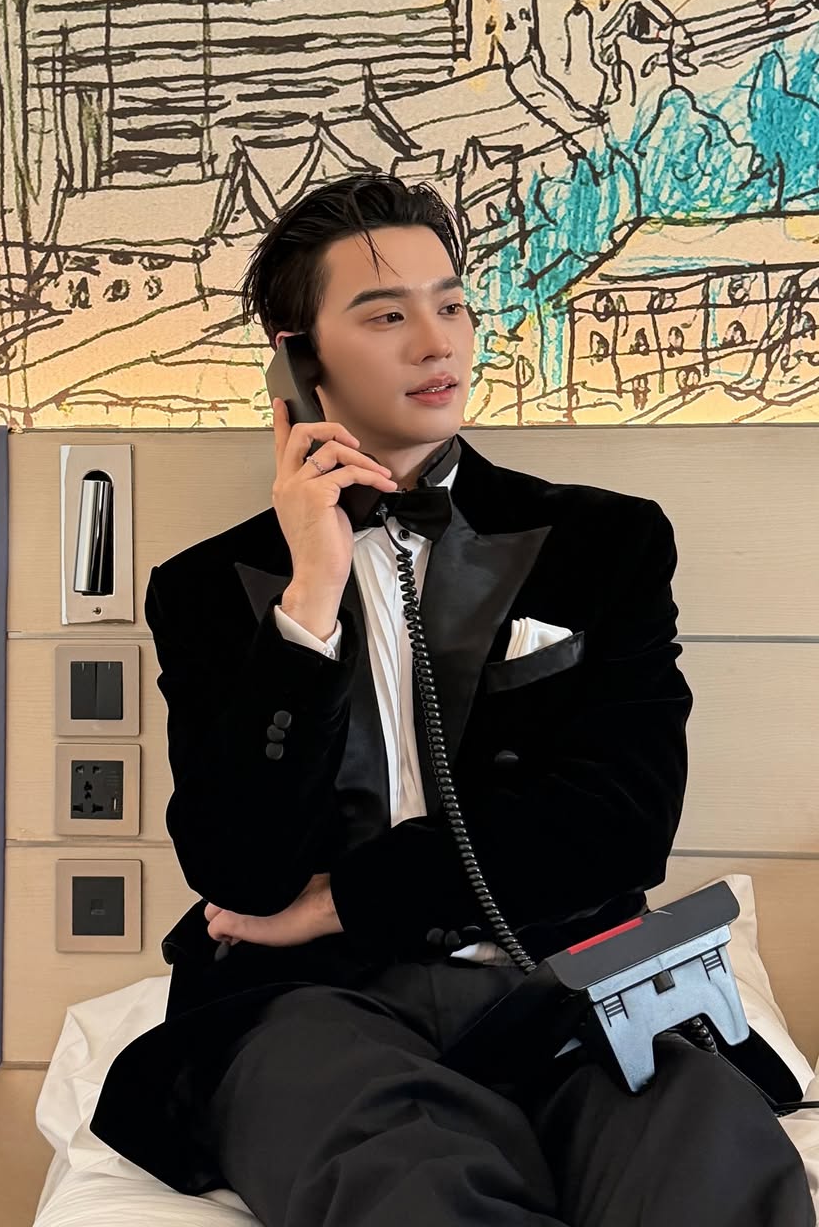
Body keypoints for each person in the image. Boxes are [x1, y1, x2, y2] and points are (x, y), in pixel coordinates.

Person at [91, 173, 814, 1225]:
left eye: (452, 304)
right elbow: (237, 869)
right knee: (405, 1179)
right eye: (386, 316)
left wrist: (344, 897)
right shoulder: (205, 590)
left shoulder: (605, 544)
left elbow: (621, 825)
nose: (438, 343)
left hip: (564, 975)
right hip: (312, 1006)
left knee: (703, 1151)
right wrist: (310, 598)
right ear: (299, 360)